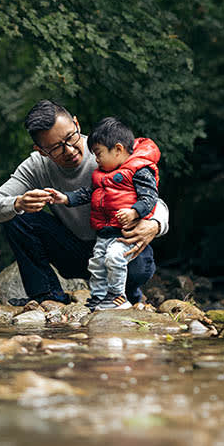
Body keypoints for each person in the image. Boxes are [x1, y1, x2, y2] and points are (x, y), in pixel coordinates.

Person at [0, 100, 169, 305]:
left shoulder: (106, 152)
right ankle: (48, 299)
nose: (70, 150)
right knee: (17, 217)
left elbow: (150, 196)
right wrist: (18, 203)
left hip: (118, 246)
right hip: (74, 251)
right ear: (41, 150)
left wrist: (156, 224)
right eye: (56, 148)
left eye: (71, 137)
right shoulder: (36, 166)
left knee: (134, 264)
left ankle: (127, 294)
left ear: (77, 124)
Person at [44, 117, 160, 310]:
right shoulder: (101, 174)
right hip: (104, 232)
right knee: (97, 263)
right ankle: (99, 297)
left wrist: (134, 213)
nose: (95, 160)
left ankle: (117, 296)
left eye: (98, 154)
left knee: (115, 258)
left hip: (125, 234)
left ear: (118, 149)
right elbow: (88, 194)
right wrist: (65, 198)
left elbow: (150, 198)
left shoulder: (139, 170)